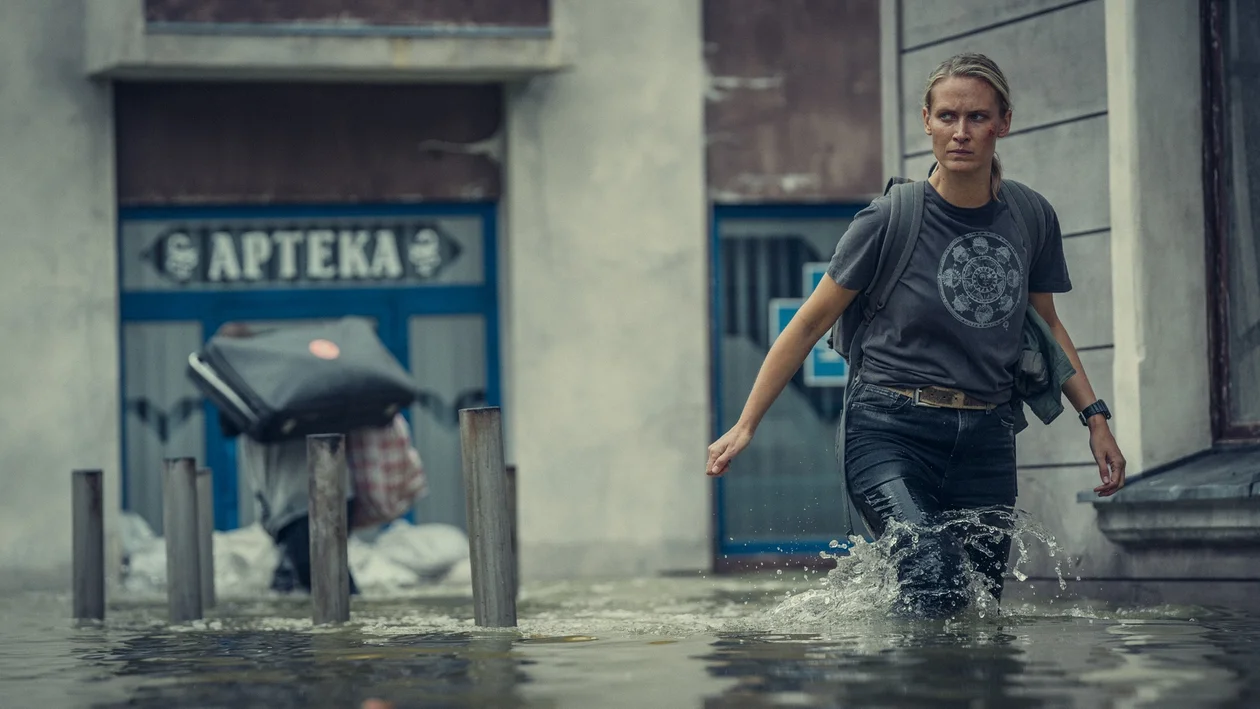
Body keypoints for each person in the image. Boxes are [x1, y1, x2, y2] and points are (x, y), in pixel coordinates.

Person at [705, 53, 1126, 619]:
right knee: (932, 578)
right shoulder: (888, 219)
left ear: (1004, 122)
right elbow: (808, 322)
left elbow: (1046, 325)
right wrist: (746, 423)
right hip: (888, 431)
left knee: (978, 610)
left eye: (977, 117)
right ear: (925, 120)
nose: (961, 132)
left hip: (987, 437)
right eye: (947, 116)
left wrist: (1095, 418)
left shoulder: (1030, 217)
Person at [214, 322, 362, 596]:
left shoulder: (270, 385)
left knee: (325, 580)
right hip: (306, 497)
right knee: (301, 578)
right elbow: (229, 426)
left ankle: (349, 636)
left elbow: (229, 425)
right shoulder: (266, 386)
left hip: (304, 500)